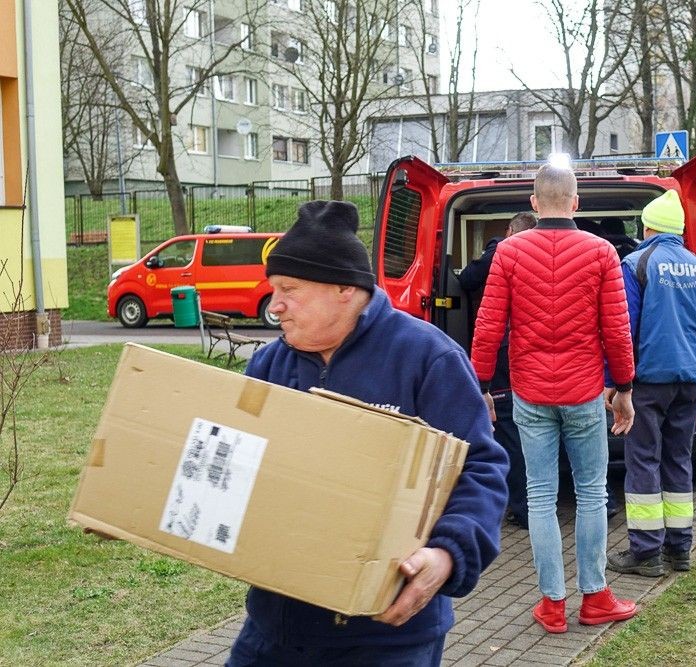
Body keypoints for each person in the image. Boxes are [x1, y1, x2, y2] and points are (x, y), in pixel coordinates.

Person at [227, 201, 509, 666]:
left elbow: (480, 466)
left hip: (387, 634)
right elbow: (233, 460)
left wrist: (447, 554)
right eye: (273, 290)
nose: (274, 306)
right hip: (276, 626)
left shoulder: (427, 358)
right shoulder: (268, 365)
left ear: (344, 289)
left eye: (289, 289)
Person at [470, 163, 638, 634]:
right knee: (591, 494)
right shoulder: (602, 252)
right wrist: (623, 389)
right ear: (576, 203)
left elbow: (488, 327)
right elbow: (617, 331)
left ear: (534, 204)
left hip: (529, 392)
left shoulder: (508, 252)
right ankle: (596, 597)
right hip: (585, 392)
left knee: (540, 496)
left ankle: (551, 604)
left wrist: (482, 386)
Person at [604, 190, 696, 577]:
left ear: (647, 227)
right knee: (679, 460)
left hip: (647, 382)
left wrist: (617, 384)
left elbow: (623, 331)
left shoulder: (636, 263)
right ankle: (680, 549)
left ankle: (646, 552)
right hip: (690, 383)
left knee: (643, 460)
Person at [458, 212, 538, 529]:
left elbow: (466, 280)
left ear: (508, 232)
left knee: (508, 428)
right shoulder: (548, 253)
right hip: (537, 355)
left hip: (506, 351)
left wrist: (481, 383)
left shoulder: (503, 252)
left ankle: (524, 505)